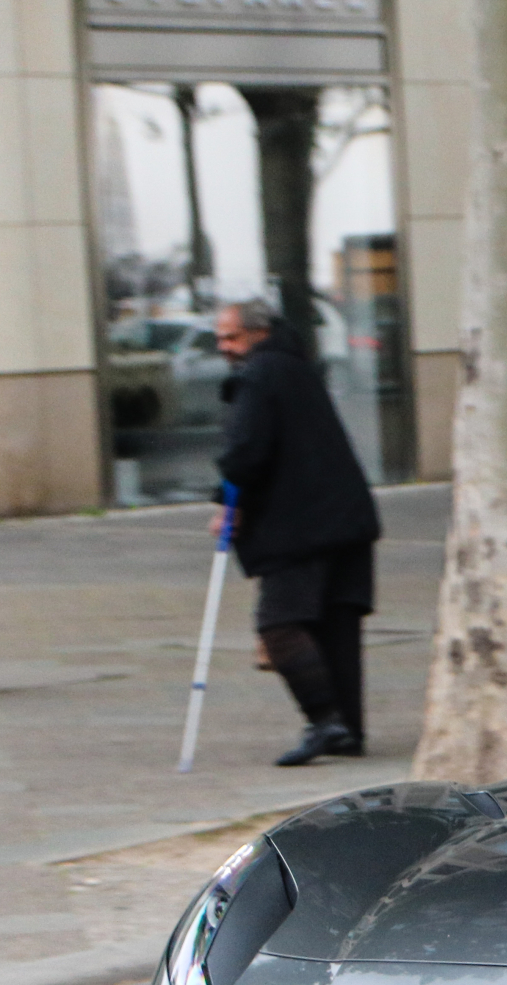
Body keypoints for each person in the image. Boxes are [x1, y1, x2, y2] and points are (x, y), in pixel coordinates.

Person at [213, 299, 382, 766]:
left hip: (300, 524)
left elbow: (245, 450)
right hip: (345, 516)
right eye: (221, 339)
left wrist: (228, 500)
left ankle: (325, 721)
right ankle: (348, 728)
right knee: (336, 623)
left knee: (280, 624)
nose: (224, 348)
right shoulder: (298, 368)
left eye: (231, 337)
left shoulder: (258, 375)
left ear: (257, 333)